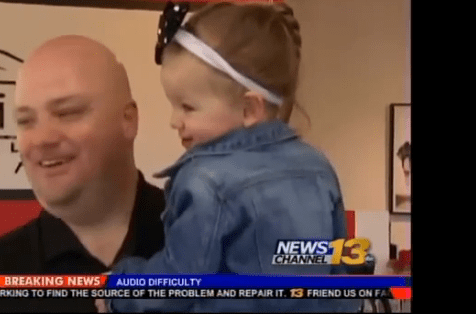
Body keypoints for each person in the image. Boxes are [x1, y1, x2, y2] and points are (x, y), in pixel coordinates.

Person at [103, 2, 361, 312]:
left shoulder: (204, 182)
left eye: (187, 107)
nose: (174, 120)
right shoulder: (318, 167)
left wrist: (119, 287)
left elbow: (176, 284)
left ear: (249, 109)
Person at [0, 35, 166, 313]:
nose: (42, 139)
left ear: (128, 120)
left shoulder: (226, 243)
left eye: (67, 113)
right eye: (25, 121)